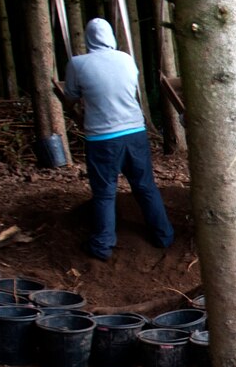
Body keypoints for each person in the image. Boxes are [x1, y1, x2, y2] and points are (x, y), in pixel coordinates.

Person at [62, 17, 176, 261]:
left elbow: (69, 97)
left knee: (104, 192)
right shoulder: (126, 59)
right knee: (145, 186)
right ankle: (164, 236)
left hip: (102, 137)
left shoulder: (77, 63)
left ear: (89, 37)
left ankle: (102, 245)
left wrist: (80, 104)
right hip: (135, 131)